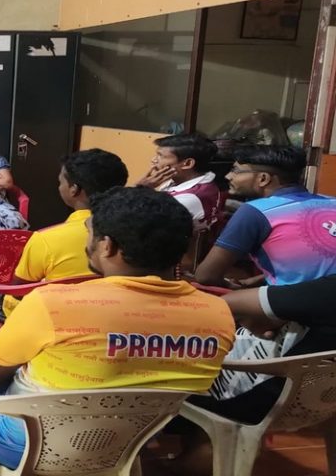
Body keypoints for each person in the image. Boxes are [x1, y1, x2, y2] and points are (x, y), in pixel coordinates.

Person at [0, 187, 235, 469]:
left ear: (107, 246)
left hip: (25, 445)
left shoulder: (53, 303)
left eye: (89, 234)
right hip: (131, 442)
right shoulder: (218, 314)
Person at [165, 277, 336, 474]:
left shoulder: (328, 290)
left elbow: (225, 304)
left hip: (256, 397)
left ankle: (192, 457)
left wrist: (261, 318)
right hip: (321, 402)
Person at [0, 148, 129, 321]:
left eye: (61, 182)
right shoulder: (138, 229)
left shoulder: (46, 238)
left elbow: (18, 292)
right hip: (116, 314)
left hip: (54, 317)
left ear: (74, 189)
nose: (59, 187)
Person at [194, 145, 336, 289]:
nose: (228, 176)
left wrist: (234, 287)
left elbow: (206, 276)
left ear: (263, 178)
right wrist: (256, 280)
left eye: (235, 170)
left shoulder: (255, 211)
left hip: (304, 299)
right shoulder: (332, 202)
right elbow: (312, 263)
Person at [136, 133, 223, 232]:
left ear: (187, 163)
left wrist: (140, 189)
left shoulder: (188, 198)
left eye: (161, 156)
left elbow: (138, 223)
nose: (154, 160)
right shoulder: (180, 180)